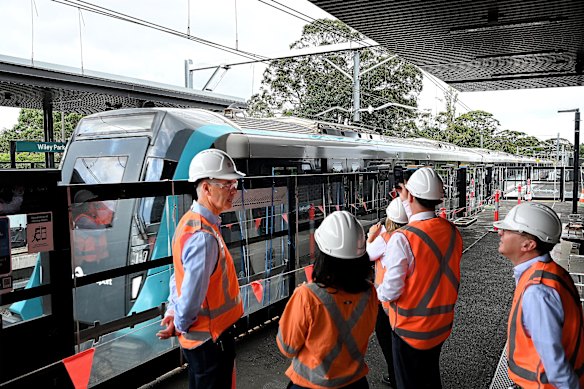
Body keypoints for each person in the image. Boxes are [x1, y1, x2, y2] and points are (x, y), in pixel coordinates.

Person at [156, 148, 245, 389]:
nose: (234, 191)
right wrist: (180, 323)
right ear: (206, 188)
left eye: (235, 184)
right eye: (228, 185)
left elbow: (179, 276)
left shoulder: (190, 223)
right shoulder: (203, 235)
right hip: (211, 339)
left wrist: (174, 313)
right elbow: (193, 293)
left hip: (204, 339)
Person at [377, 167, 463, 389]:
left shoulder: (402, 238)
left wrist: (375, 291)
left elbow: (391, 291)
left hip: (409, 329)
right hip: (441, 325)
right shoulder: (452, 231)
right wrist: (408, 198)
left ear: (411, 196)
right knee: (430, 377)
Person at [277, 210, 378, 389]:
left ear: (322, 255)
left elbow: (287, 348)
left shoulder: (307, 297)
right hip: (356, 384)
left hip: (310, 384)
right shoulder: (370, 293)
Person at [494, 202, 584, 388]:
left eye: (508, 230)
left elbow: (555, 366)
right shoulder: (549, 272)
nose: (500, 232)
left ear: (528, 244)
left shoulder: (538, 290)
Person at [366, 197, 408, 388]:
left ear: (389, 219)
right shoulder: (410, 236)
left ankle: (396, 375)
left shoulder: (385, 239)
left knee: (387, 338)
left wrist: (370, 236)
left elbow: (368, 254)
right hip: (408, 299)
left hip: (385, 300)